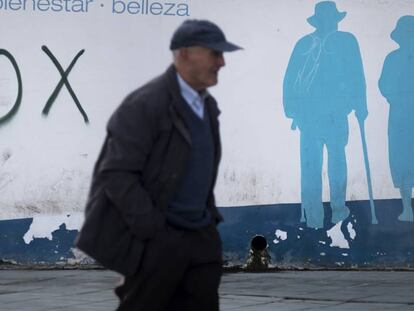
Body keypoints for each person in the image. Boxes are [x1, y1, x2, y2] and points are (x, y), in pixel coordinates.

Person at [75, 19, 242, 310]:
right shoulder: (145, 105)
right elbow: (117, 173)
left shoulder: (207, 105)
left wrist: (208, 224)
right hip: (160, 241)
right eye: (215, 53)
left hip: (200, 237)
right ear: (184, 54)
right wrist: (153, 232)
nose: (222, 62)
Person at [283, 1, 368, 229]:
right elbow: (290, 78)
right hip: (319, 115)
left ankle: (326, 215)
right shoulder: (334, 42)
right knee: (323, 164)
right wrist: (360, 105)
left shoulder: (321, 42)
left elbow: (356, 74)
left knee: (327, 163)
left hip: (324, 115)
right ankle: (324, 216)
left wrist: (360, 104)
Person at [379, 15, 414, 222]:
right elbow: (384, 85)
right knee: (402, 162)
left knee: (404, 161)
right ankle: (407, 209)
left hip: (401, 115)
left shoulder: (393, 58)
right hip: (400, 117)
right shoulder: (392, 58)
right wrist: (397, 99)